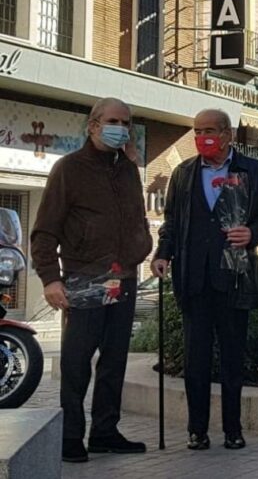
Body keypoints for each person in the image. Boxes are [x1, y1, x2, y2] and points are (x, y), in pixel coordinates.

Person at [31, 97, 153, 463]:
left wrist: (142, 247)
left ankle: (104, 431)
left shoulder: (128, 169)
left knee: (115, 360)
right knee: (76, 361)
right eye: (113, 121)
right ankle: (71, 437)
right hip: (84, 277)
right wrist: (51, 279)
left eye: (126, 122)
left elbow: (136, 219)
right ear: (94, 125)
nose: (121, 128)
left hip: (124, 277)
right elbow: (44, 232)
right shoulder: (69, 169)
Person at [151, 109, 258, 451]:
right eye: (197, 130)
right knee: (196, 360)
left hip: (234, 278)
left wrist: (251, 233)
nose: (203, 135)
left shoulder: (253, 171)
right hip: (193, 280)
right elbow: (172, 222)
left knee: (233, 359)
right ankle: (197, 430)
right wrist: (162, 253)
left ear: (227, 135)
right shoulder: (183, 173)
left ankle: (233, 430)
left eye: (210, 130)